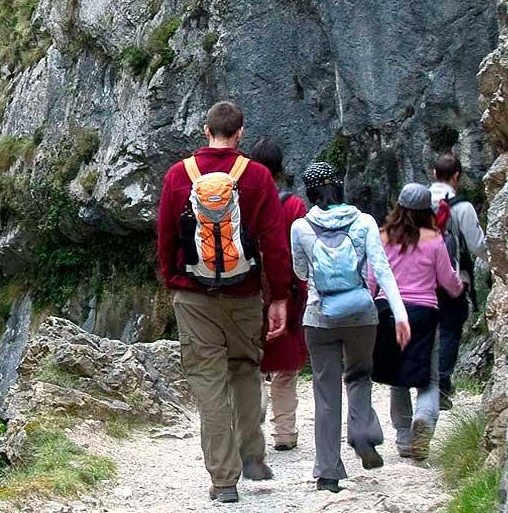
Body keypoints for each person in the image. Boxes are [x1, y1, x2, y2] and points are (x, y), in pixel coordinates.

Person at [153, 102, 293, 504]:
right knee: (245, 370)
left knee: (209, 386)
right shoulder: (258, 176)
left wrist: (172, 279)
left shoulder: (179, 175)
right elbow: (274, 243)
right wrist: (278, 295)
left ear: (205, 130)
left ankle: (224, 481)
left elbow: (165, 234)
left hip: (192, 295)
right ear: (240, 133)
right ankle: (252, 455)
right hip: (244, 294)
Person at [290, 161, 408, 493]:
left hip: (319, 317)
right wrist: (400, 314)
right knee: (359, 377)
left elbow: (300, 272)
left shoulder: (300, 227)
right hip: (361, 314)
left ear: (310, 192)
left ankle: (328, 473)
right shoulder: (365, 221)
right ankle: (362, 434)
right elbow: (382, 270)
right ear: (340, 187)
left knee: (326, 393)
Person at [378, 183, 463, 460]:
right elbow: (447, 280)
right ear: (427, 209)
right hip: (424, 313)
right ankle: (424, 418)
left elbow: (372, 275)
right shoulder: (435, 239)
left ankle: (403, 438)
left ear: (398, 206)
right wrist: (458, 287)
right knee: (429, 377)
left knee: (397, 377)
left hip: (390, 311)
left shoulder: (383, 237)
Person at [247, 138, 308, 452]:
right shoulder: (293, 206)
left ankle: (252, 431)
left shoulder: (242, 201)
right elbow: (301, 254)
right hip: (286, 293)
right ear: (281, 168)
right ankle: (285, 432)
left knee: (252, 364)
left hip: (247, 291)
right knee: (286, 366)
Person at [429, 154, 486, 406]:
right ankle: (441, 381)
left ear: (433, 173)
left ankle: (423, 379)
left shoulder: (416, 200)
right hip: (453, 276)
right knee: (450, 329)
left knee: (425, 328)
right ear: (457, 177)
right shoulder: (462, 207)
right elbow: (477, 245)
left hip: (418, 278)